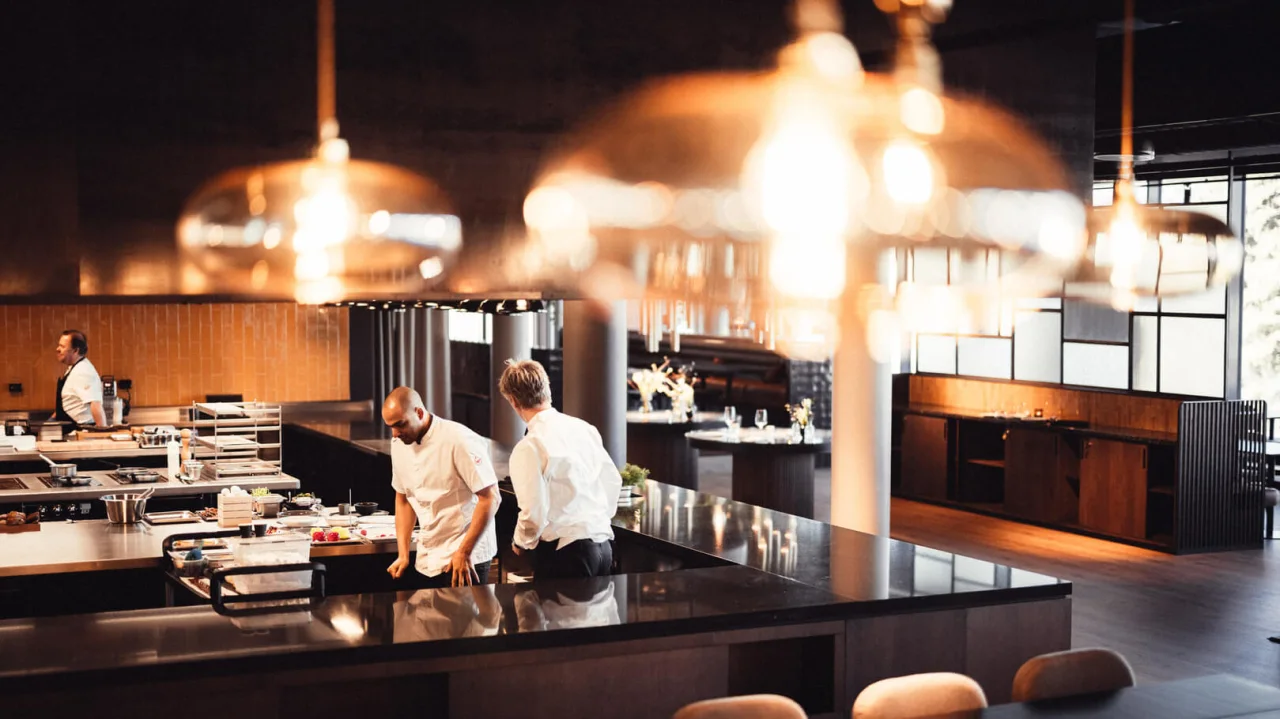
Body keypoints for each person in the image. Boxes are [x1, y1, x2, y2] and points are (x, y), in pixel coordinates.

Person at [499, 359, 620, 579]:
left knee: (556, 614)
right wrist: (594, 521)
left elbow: (533, 513)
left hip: (568, 554)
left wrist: (520, 542)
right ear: (547, 389)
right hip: (603, 548)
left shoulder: (529, 446)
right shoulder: (584, 429)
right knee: (599, 614)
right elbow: (612, 482)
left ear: (513, 401)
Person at [382, 386, 500, 588]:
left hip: (465, 555)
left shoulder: (458, 439)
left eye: (400, 424)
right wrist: (403, 554)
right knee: (430, 620)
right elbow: (403, 499)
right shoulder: (399, 443)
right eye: (390, 427)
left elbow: (491, 498)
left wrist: (464, 552)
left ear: (418, 412)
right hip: (428, 554)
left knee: (463, 620)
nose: (395, 433)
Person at [52, 330, 105, 428]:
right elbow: (69, 402)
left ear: (75, 350)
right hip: (69, 429)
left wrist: (101, 434)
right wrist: (50, 421)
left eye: (62, 347)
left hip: (81, 431)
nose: (57, 349)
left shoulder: (83, 371)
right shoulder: (73, 368)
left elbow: (96, 404)